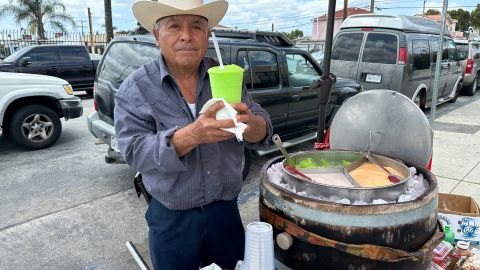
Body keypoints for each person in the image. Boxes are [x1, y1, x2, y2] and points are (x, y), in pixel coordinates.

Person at [113, 0, 272, 269]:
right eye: (174, 26)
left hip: (225, 212)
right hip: (171, 218)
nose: (186, 35)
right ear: (156, 35)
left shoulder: (225, 77)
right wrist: (192, 135)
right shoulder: (136, 88)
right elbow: (135, 152)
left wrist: (251, 124)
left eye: (196, 26)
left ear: (207, 35)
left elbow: (263, 127)